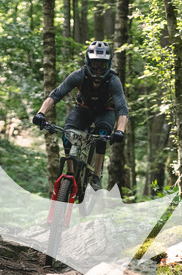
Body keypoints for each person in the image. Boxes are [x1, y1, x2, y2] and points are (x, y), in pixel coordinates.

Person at [32, 41, 129, 191]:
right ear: (88, 63)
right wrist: (41, 113)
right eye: (95, 65)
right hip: (83, 109)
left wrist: (120, 130)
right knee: (67, 133)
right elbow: (56, 94)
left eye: (102, 65)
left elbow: (122, 108)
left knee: (103, 133)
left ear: (108, 64)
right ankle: (70, 173)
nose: (98, 70)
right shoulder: (79, 75)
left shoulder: (113, 80)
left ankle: (96, 175)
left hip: (105, 111)